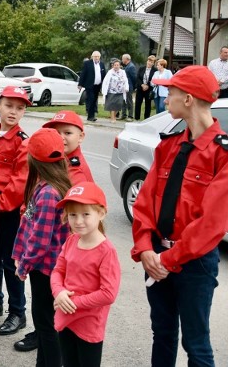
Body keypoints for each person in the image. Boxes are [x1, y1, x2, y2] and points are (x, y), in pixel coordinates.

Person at [131, 66, 227, 367]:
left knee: (196, 343)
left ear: (188, 98)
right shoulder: (168, 145)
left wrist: (168, 261)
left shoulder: (222, 154)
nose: (165, 96)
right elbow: (144, 202)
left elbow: (211, 223)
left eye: (170, 91)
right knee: (162, 332)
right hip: (157, 254)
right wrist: (146, 248)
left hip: (194, 263)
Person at [12, 128, 72, 367]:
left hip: (46, 270)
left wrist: (24, 264)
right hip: (43, 268)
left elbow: (40, 240)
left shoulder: (48, 193)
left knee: (46, 326)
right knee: (44, 324)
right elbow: (27, 225)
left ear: (33, 159)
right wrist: (18, 254)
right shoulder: (48, 185)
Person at [51, 182, 121, 367]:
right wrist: (58, 292)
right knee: (68, 362)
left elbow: (108, 293)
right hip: (66, 317)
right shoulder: (71, 241)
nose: (78, 221)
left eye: (85, 214)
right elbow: (58, 271)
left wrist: (73, 303)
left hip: (89, 325)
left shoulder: (106, 251)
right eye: (72, 214)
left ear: (101, 213)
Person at [0, 86, 30, 338]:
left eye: (20, 108)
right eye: (9, 106)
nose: (14, 112)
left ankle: (18, 312)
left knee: (11, 263)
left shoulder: (23, 142)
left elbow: (18, 184)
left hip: (7, 212)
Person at [42, 110, 94, 184]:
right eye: (56, 132)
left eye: (68, 133)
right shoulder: (58, 157)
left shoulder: (76, 173)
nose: (60, 137)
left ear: (80, 137)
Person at [78, 51, 106, 122]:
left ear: (100, 57)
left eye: (98, 56)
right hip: (90, 85)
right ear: (92, 57)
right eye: (95, 56)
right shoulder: (87, 64)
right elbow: (83, 74)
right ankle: (91, 116)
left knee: (94, 100)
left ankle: (92, 115)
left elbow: (104, 75)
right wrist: (80, 84)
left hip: (98, 85)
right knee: (91, 99)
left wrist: (104, 85)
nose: (96, 58)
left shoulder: (102, 64)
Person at [102, 59, 129, 123]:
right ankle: (112, 118)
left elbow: (125, 80)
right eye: (115, 65)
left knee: (118, 105)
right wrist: (104, 90)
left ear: (120, 66)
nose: (116, 66)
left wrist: (126, 87)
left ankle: (113, 116)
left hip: (120, 91)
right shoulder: (110, 72)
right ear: (113, 66)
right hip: (111, 91)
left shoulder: (123, 72)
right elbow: (105, 81)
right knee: (112, 105)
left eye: (117, 65)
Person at [134, 55, 157, 120]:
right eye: (149, 61)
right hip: (140, 88)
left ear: (153, 63)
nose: (150, 63)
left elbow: (154, 79)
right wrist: (142, 85)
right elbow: (138, 77)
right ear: (147, 61)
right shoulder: (141, 68)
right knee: (138, 103)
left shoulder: (155, 70)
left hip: (149, 89)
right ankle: (137, 118)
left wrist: (147, 85)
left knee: (148, 104)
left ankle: (146, 118)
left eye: (151, 62)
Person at [121, 54, 137, 121]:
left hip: (129, 86)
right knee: (123, 101)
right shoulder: (127, 66)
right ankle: (124, 114)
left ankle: (130, 116)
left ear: (126, 59)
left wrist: (133, 86)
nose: (122, 60)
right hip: (124, 87)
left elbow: (134, 78)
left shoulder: (131, 67)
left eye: (122, 59)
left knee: (129, 101)